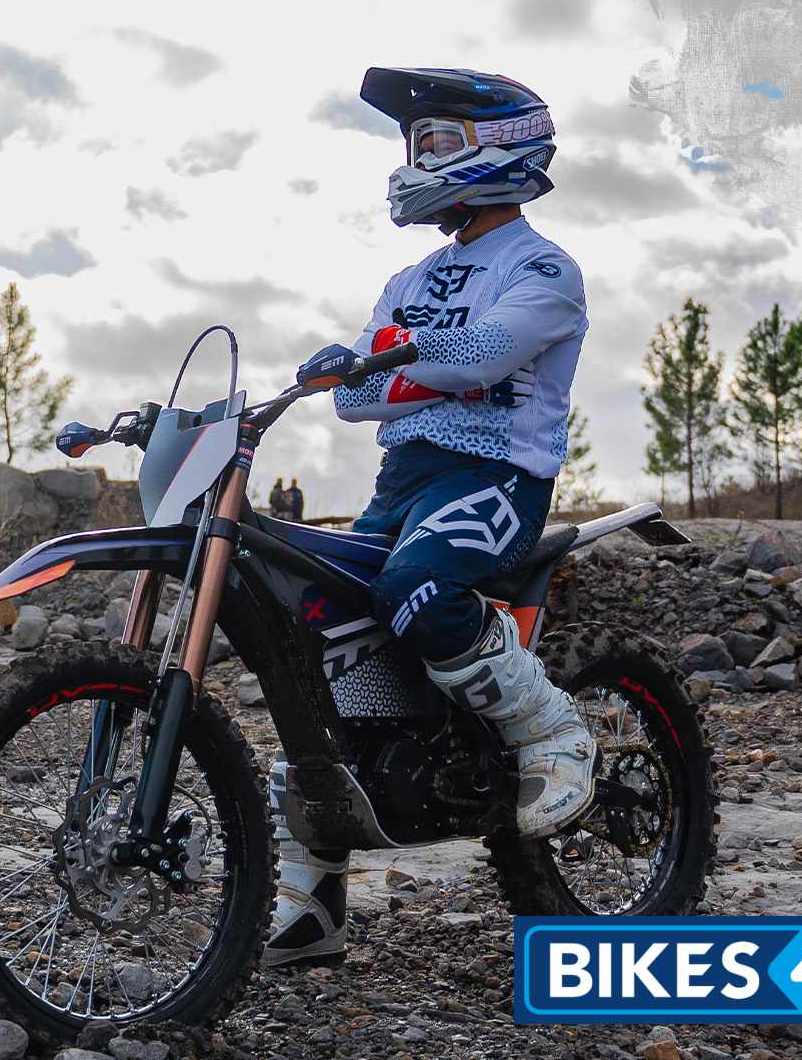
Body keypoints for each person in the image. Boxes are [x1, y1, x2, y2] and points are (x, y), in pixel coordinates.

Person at [271, 67, 589, 966]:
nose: (419, 160)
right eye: (417, 144)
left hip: (495, 476)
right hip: (403, 478)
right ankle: (313, 901)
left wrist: (391, 361)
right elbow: (354, 400)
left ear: (507, 145)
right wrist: (388, 367)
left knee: (417, 584)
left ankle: (553, 732)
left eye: (438, 141)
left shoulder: (542, 267)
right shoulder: (410, 276)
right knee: (318, 634)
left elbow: (485, 353)